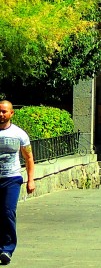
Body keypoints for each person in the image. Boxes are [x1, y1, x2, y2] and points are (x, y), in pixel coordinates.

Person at [0, 101, 35, 266]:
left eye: (4, 112)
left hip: (12, 178)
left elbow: (28, 158)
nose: (1, 114)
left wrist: (31, 180)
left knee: (8, 212)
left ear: (11, 114)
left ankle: (7, 248)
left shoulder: (19, 134)